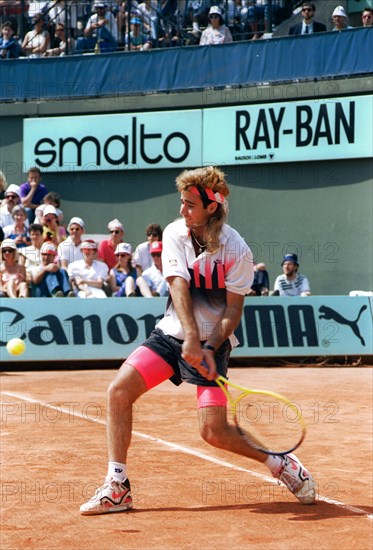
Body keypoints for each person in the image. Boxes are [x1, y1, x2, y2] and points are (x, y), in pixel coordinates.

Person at [80, 166, 315, 515]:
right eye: (182, 202)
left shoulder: (238, 251)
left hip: (212, 345)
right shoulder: (176, 233)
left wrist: (207, 346)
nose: (182, 210)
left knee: (213, 432)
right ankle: (118, 486)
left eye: (190, 204)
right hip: (170, 336)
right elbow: (178, 286)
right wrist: (190, 338)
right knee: (118, 391)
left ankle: (280, 464)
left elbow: (233, 310)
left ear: (211, 208)